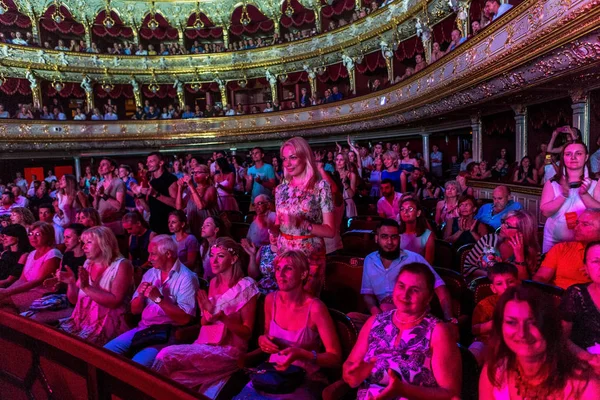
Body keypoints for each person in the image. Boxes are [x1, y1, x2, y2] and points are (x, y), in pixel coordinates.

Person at [151, 238, 259, 394]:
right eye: (212, 255)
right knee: (175, 379)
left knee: (166, 355)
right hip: (207, 343)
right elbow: (205, 323)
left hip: (230, 350)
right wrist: (208, 314)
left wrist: (222, 318)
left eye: (220, 256)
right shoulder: (213, 283)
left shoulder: (247, 285)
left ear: (234, 259)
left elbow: (247, 332)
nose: (214, 261)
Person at [343, 263, 462, 399]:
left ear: (429, 298)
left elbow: (451, 394)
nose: (405, 295)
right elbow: (349, 367)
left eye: (415, 290)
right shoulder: (374, 322)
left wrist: (402, 390)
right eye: (401, 286)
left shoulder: (438, 331)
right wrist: (352, 374)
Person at [234, 250, 342, 399]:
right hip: (272, 374)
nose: (280, 274)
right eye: (278, 268)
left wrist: (303, 354)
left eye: (288, 268)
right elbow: (267, 337)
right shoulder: (271, 300)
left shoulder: (315, 308)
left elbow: (335, 357)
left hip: (304, 379)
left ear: (303, 274)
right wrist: (262, 341)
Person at [479, 286, 600, 400]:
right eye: (512, 322)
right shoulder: (495, 372)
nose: (522, 333)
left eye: (533, 322)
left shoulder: (583, 382)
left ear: (550, 326)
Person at [104, 235, 199, 367]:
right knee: (105, 353)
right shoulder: (150, 273)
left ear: (168, 254)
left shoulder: (187, 278)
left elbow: (185, 319)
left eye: (153, 254)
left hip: (166, 333)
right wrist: (141, 296)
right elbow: (134, 310)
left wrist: (159, 299)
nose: (149, 259)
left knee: (137, 366)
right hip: (143, 329)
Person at [348, 219, 453, 329]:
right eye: (384, 236)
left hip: (411, 314)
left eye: (394, 237)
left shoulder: (414, 258)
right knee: (351, 318)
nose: (389, 242)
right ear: (376, 238)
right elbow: (367, 294)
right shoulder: (369, 260)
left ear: (399, 238)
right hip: (383, 315)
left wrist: (449, 319)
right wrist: (377, 313)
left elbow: (440, 287)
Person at [275, 137, 335, 296]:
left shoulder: (321, 187)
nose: (287, 163)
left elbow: (330, 231)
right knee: (287, 304)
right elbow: (278, 224)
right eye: (284, 159)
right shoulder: (281, 189)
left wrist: (305, 225)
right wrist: (272, 230)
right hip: (284, 256)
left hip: (309, 257)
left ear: (305, 157)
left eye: (293, 157)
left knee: (305, 307)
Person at [57, 226, 133, 346]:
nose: (83, 247)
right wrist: (71, 283)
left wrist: (87, 287)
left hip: (107, 323)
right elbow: (75, 300)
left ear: (104, 243)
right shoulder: (88, 263)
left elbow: (115, 301)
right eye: (83, 242)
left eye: (89, 242)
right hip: (82, 320)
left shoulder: (122, 265)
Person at [540, 141, 600, 253]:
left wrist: (584, 194)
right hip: (553, 240)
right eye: (568, 154)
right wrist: (563, 195)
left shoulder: (596, 182)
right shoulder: (553, 182)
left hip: (585, 243)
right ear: (563, 157)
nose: (573, 157)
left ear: (586, 157)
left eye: (578, 153)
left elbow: (599, 212)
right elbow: (545, 212)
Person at [28, 223, 87, 324]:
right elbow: (62, 279)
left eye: (68, 237)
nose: (65, 241)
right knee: (30, 313)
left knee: (33, 319)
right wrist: (56, 281)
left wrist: (69, 283)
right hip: (63, 294)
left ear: (79, 238)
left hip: (77, 298)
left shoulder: (87, 259)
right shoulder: (68, 255)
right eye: (64, 237)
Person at [0, 222, 61, 313]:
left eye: (37, 234)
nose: (33, 237)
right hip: (27, 289)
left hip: (41, 293)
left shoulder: (53, 253)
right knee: (5, 308)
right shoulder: (31, 254)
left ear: (48, 236)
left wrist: (8, 292)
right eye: (30, 234)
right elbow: (22, 279)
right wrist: (7, 290)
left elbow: (38, 281)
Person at [559, 241, 600, 374]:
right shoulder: (576, 294)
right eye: (596, 261)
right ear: (586, 268)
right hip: (583, 366)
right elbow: (561, 337)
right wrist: (589, 358)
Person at [533, 209, 600, 289]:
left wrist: (595, 277)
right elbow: (541, 277)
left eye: (585, 224)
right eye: (577, 223)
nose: (576, 228)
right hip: (556, 297)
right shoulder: (561, 248)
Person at [464, 210, 539, 280]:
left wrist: (520, 256)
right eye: (503, 222)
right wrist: (492, 276)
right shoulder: (489, 240)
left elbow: (525, 284)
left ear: (521, 232)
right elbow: (467, 267)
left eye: (508, 226)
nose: (502, 226)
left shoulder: (533, 254)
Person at [469, 263, 519, 365]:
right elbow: (474, 329)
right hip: (488, 344)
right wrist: (494, 323)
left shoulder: (526, 302)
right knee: (474, 351)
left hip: (516, 344)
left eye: (510, 282)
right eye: (499, 284)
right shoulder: (485, 304)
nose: (506, 287)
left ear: (518, 282)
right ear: (493, 288)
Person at [175, 164, 218, 240]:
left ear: (206, 175)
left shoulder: (211, 189)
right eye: (193, 172)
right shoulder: (192, 190)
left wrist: (191, 185)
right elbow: (179, 207)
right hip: (193, 225)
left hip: (206, 226)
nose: (195, 174)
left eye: (198, 172)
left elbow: (201, 206)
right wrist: (180, 188)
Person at [143, 152, 178, 234]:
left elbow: (176, 204)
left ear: (161, 163)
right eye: (147, 162)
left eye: (151, 161)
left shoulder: (170, 179)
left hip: (168, 228)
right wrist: (139, 196)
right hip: (155, 227)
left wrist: (156, 194)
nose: (147, 164)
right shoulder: (152, 182)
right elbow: (148, 209)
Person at [397, 195, 435, 265]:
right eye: (402, 209)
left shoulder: (427, 235)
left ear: (418, 213)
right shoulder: (396, 234)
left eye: (410, 209)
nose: (405, 212)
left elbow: (428, 264)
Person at [93, 158, 126, 235]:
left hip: (114, 222)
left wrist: (103, 195)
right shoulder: (99, 184)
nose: (100, 167)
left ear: (112, 168)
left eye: (103, 164)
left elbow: (119, 206)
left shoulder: (119, 183)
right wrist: (94, 196)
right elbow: (95, 207)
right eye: (100, 165)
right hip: (102, 222)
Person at [242, 230, 279, 294]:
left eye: (277, 235)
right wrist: (252, 256)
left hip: (279, 291)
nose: (273, 237)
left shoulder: (288, 252)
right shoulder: (263, 249)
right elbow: (253, 275)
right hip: (261, 289)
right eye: (271, 233)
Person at [0, 224, 31, 288]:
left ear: (18, 237)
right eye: (4, 236)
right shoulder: (4, 253)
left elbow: (10, 280)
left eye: (8, 236)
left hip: (8, 287)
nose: (4, 239)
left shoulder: (24, 255)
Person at [198, 216, 227, 281]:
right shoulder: (203, 247)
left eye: (207, 225)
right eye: (203, 225)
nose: (203, 227)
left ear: (216, 230)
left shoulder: (223, 248)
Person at [335, 152, 358, 219]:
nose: (338, 162)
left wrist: (345, 184)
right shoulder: (333, 174)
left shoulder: (351, 175)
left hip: (348, 204)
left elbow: (352, 195)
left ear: (346, 161)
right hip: (337, 204)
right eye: (337, 159)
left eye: (341, 160)